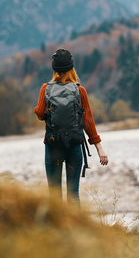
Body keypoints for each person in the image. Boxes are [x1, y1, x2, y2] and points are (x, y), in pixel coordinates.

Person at [34, 48, 108, 205]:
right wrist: (99, 148)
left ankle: (57, 228)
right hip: (75, 145)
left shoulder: (45, 89)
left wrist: (41, 109)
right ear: (71, 68)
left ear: (54, 69)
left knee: (54, 194)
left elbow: (40, 114)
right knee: (73, 193)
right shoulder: (79, 90)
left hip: (53, 145)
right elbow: (88, 122)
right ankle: (76, 227)